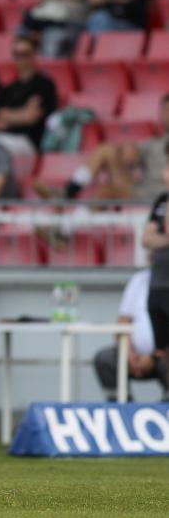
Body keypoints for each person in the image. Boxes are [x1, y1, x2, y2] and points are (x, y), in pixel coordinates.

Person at [42, 94, 169, 202]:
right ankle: (69, 191)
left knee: (105, 192)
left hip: (157, 195)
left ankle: (66, 227)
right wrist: (128, 147)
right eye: (164, 110)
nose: (166, 115)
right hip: (142, 189)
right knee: (106, 150)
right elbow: (130, 155)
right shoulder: (153, 142)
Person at [93, 267, 168, 402]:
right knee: (105, 359)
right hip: (135, 355)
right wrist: (128, 353)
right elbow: (123, 321)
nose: (152, 255)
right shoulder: (139, 280)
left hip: (163, 353)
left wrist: (154, 356)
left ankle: (164, 412)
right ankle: (121, 412)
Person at [0, 36, 58, 159]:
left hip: (29, 143)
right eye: (17, 54)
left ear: (34, 55)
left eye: (24, 54)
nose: (20, 59)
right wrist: (23, 114)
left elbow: (32, 117)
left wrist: (10, 116)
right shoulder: (7, 88)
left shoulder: (44, 84)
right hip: (5, 138)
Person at [143, 150, 169, 375]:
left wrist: (160, 240)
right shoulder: (162, 200)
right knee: (162, 351)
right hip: (158, 285)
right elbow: (146, 238)